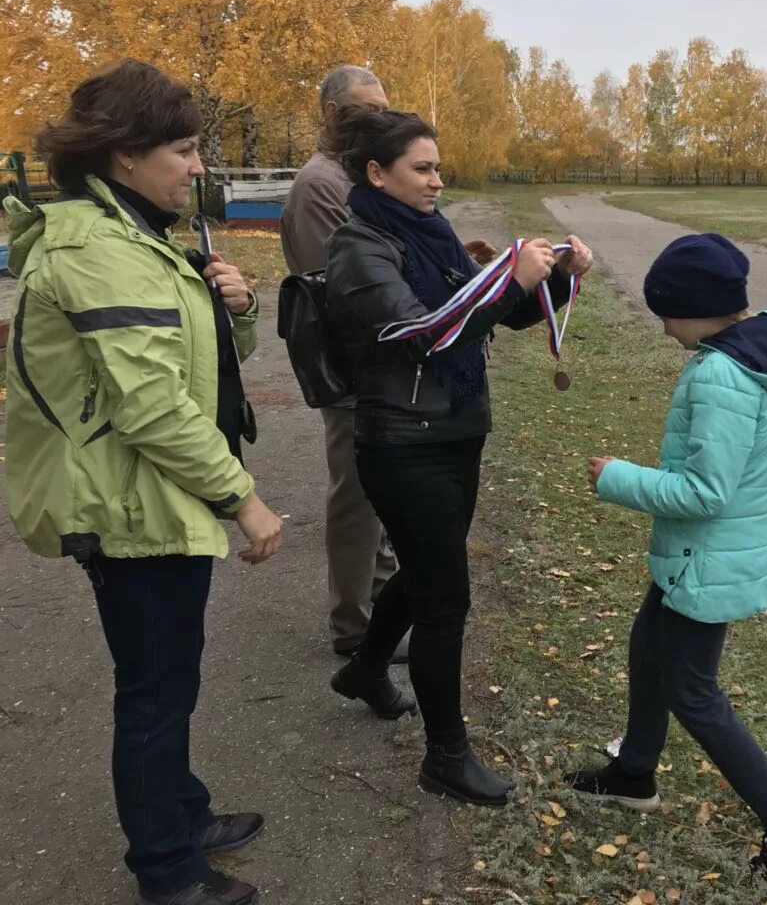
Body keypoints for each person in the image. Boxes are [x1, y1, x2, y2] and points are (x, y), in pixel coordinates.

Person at [2, 59, 283, 905]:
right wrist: (244, 497)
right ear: (125, 157)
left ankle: (183, 813)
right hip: (128, 504)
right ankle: (167, 870)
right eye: (185, 149)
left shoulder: (138, 237)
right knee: (155, 692)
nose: (197, 166)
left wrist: (235, 308)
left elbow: (207, 371)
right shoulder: (99, 252)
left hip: (151, 496)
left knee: (173, 673)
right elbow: (153, 408)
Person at [322, 107, 594, 805]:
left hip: (452, 429)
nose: (438, 180)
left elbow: (488, 317)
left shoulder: (428, 230)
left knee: (424, 568)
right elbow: (425, 334)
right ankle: (446, 755)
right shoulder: (360, 247)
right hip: (403, 443)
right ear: (377, 174)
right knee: (445, 597)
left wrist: (556, 281)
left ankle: (367, 667)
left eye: (438, 167)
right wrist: (507, 278)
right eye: (423, 168)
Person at [565, 233, 767, 889]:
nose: (662, 328)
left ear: (695, 308)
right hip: (706, 559)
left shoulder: (722, 374)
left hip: (704, 561)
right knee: (647, 645)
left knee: (693, 692)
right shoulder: (764, 353)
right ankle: (635, 771)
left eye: (665, 313)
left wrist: (615, 476)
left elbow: (705, 494)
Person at [280, 66, 409, 660]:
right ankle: (355, 630)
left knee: (377, 498)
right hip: (351, 366)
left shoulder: (354, 175)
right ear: (332, 112)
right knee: (356, 502)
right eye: (365, 109)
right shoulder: (320, 185)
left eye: (385, 107)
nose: (379, 118)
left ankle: (380, 612)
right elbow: (344, 283)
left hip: (379, 364)